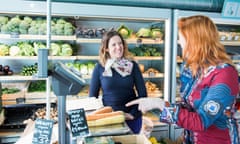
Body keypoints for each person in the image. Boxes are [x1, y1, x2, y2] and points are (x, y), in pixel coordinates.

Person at [126, 15, 239, 144]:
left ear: (195, 41)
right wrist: (157, 104)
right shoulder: (196, 69)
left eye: (182, 38)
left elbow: (201, 121)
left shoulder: (225, 73)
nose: (180, 43)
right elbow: (187, 108)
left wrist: (160, 104)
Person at [89, 30, 147, 134]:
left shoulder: (132, 66)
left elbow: (143, 95)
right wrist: (103, 115)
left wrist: (132, 114)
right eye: (113, 45)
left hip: (131, 118)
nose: (118, 47)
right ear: (106, 48)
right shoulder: (100, 68)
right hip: (108, 120)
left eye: (120, 43)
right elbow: (92, 98)